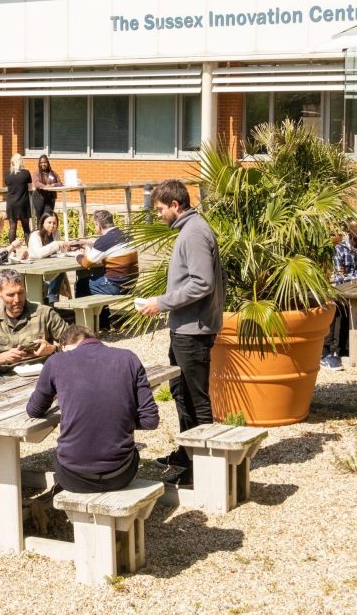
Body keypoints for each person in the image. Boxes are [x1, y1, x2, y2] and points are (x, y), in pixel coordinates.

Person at [137, 179, 224, 486]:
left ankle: (205, 468)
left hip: (194, 330)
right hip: (185, 327)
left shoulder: (194, 233)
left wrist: (161, 303)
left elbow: (202, 283)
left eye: (160, 209)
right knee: (181, 392)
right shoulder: (190, 230)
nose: (158, 215)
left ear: (176, 205)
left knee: (195, 398)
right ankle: (188, 454)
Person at [26, 324, 159, 493]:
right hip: (121, 474)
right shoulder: (128, 358)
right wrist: (118, 417)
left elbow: (34, 410)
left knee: (60, 453)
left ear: (64, 346)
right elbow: (150, 421)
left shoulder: (56, 362)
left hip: (73, 476)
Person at [0, 268, 67, 382]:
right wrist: (4, 357)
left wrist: (53, 349)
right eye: (10, 295)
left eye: (20, 293)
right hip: (1, 378)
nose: (17, 299)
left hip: (41, 376)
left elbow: (77, 345)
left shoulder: (45, 314)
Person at [321, 220, 357, 370]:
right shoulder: (339, 249)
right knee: (337, 307)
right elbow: (339, 278)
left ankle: (347, 348)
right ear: (349, 233)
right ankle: (328, 352)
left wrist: (353, 275)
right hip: (338, 291)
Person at [75, 209, 139, 330]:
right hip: (130, 284)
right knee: (99, 274)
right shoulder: (127, 235)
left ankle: (84, 326)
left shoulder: (104, 241)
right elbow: (111, 249)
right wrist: (90, 243)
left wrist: (77, 255)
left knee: (81, 284)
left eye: (95, 225)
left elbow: (86, 263)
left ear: (98, 226)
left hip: (116, 286)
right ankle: (103, 321)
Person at [28, 212, 71, 306]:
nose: (52, 225)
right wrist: (56, 244)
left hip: (51, 267)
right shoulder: (36, 235)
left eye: (54, 223)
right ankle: (51, 299)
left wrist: (65, 248)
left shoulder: (55, 233)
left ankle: (52, 299)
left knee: (60, 270)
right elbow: (39, 253)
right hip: (36, 269)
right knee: (58, 271)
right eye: (49, 222)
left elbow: (58, 253)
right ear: (43, 222)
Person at [5, 153, 33, 245]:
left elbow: (7, 185)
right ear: (21, 161)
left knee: (12, 227)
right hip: (23, 203)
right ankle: (30, 248)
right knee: (26, 227)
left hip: (11, 203)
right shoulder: (26, 173)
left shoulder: (8, 174)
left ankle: (12, 251)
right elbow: (30, 188)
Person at [32, 154, 63, 222]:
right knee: (40, 219)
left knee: (48, 217)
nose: (43, 164)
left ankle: (48, 232)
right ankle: (40, 232)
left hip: (50, 198)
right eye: (41, 162)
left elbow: (60, 183)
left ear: (48, 163)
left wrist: (53, 185)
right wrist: (44, 187)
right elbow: (36, 182)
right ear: (39, 164)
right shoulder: (36, 173)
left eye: (45, 162)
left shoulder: (53, 173)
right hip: (39, 197)